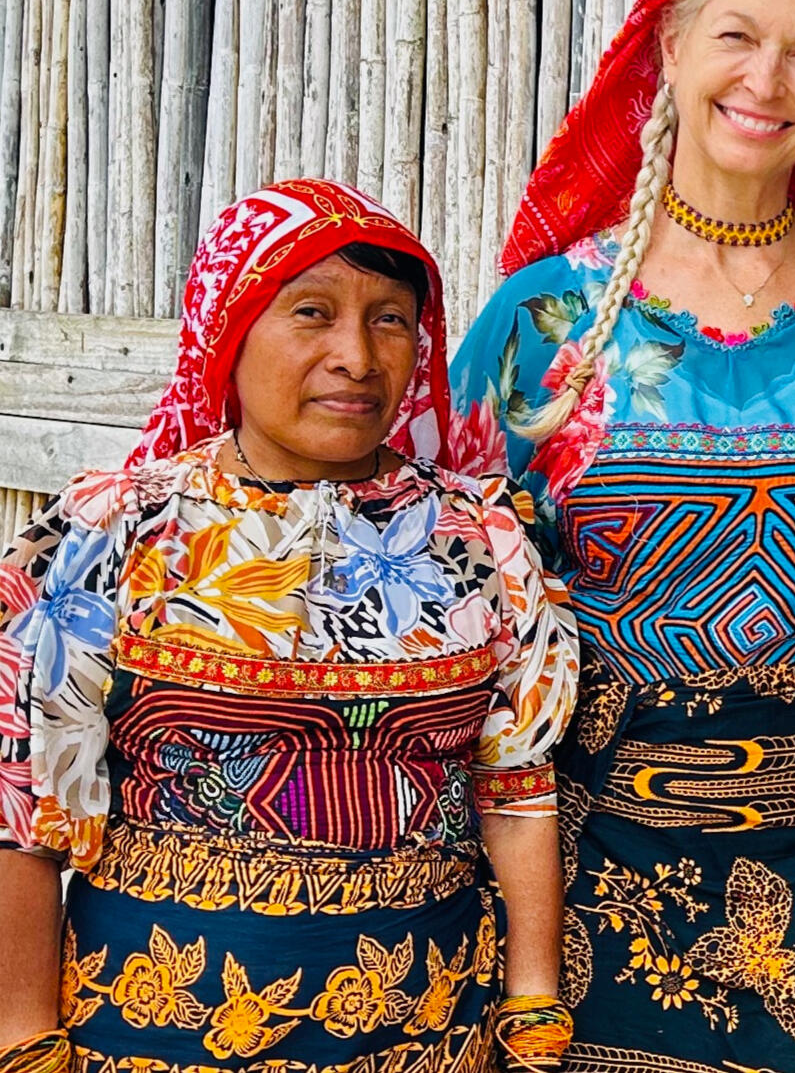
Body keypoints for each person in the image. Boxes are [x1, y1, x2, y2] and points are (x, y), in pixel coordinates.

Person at [450, 0, 795, 1072]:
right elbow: (452, 593)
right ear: (668, 49)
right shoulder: (542, 320)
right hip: (584, 874)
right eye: (736, 37)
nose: (765, 78)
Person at [0, 179, 579, 1073]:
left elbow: (515, 788)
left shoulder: (483, 538)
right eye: (312, 311)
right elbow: (26, 814)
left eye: (390, 319)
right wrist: (26, 1041)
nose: (357, 355)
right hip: (148, 1040)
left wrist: (532, 1005)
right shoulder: (112, 534)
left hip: (425, 1037)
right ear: (228, 333)